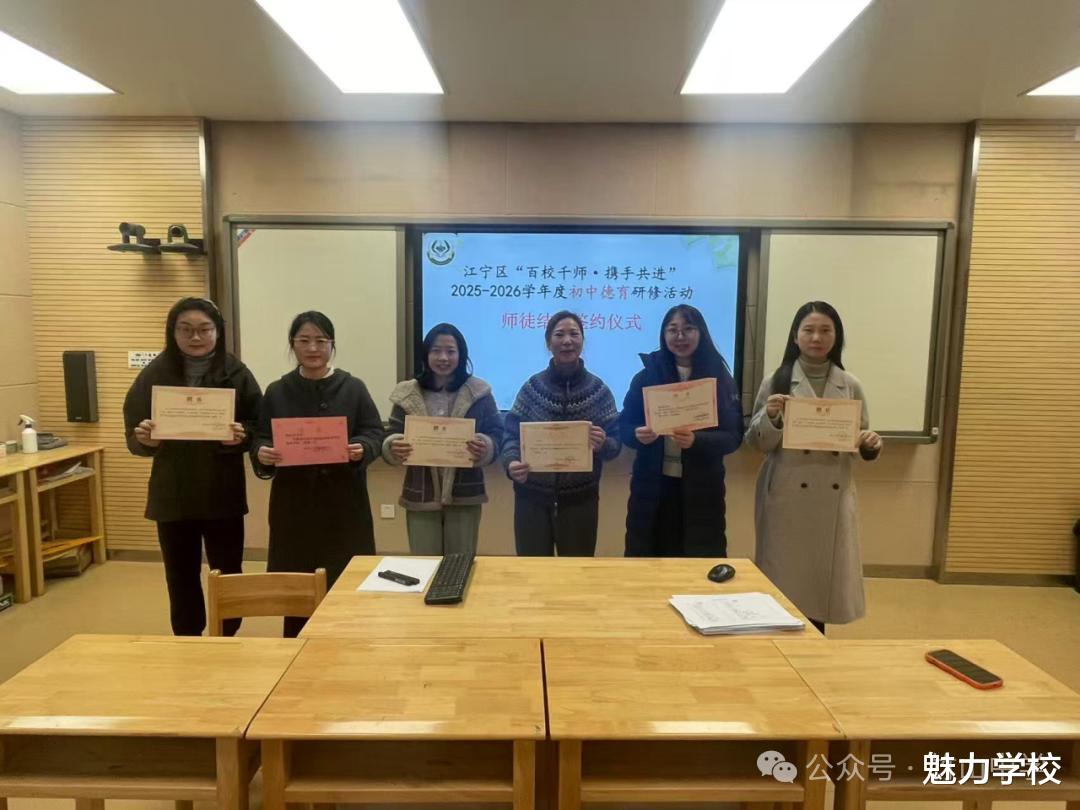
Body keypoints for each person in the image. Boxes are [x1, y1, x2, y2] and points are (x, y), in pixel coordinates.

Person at [123, 297, 261, 637]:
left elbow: (259, 425)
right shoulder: (154, 374)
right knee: (180, 574)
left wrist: (242, 437)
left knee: (228, 571)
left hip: (221, 493)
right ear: (173, 333)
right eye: (185, 330)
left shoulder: (236, 372)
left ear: (217, 332)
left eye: (204, 329)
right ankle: (187, 640)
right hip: (173, 494)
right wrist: (145, 440)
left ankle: (227, 636)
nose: (195, 337)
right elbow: (134, 433)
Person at [745, 301, 883, 633]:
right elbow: (755, 443)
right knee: (784, 582)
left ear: (837, 337)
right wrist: (772, 418)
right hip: (787, 493)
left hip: (831, 496)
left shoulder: (850, 384)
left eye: (825, 330)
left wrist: (869, 443)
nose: (816, 338)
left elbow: (859, 439)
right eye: (808, 330)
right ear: (795, 336)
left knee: (820, 579)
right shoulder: (776, 381)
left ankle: (814, 644)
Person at [252, 311, 384, 637]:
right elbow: (260, 436)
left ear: (331, 344)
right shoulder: (277, 391)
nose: (313, 348)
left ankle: (347, 646)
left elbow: (373, 432)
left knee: (345, 585)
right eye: (305, 340)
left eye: (321, 340)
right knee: (298, 589)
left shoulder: (353, 387)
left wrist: (363, 448)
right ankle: (296, 647)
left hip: (344, 506)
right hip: (294, 506)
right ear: (293, 345)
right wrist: (262, 452)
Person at [620, 304, 743, 557]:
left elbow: (733, 436)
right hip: (652, 487)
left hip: (702, 489)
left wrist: (698, 441)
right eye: (672, 330)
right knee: (649, 560)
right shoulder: (646, 377)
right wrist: (637, 434)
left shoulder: (720, 378)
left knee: (697, 564)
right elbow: (624, 426)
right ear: (663, 335)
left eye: (688, 329)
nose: (680, 336)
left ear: (701, 333)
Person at [501, 310, 621, 556]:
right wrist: (511, 462)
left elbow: (616, 442)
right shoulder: (532, 388)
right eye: (559, 335)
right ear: (548, 342)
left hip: (581, 500)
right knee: (532, 572)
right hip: (531, 498)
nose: (567, 341)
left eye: (574, 334)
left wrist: (603, 443)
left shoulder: (599, 391)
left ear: (583, 340)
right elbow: (511, 435)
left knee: (576, 571)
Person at [382, 323, 503, 555]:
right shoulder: (408, 393)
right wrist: (394, 445)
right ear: (426, 355)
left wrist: (485, 446)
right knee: (424, 565)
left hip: (465, 493)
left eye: (450, 351)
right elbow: (391, 433)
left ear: (461, 354)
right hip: (421, 492)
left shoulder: (479, 393)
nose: (443, 358)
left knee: (459, 563)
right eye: (436, 351)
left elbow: (496, 433)